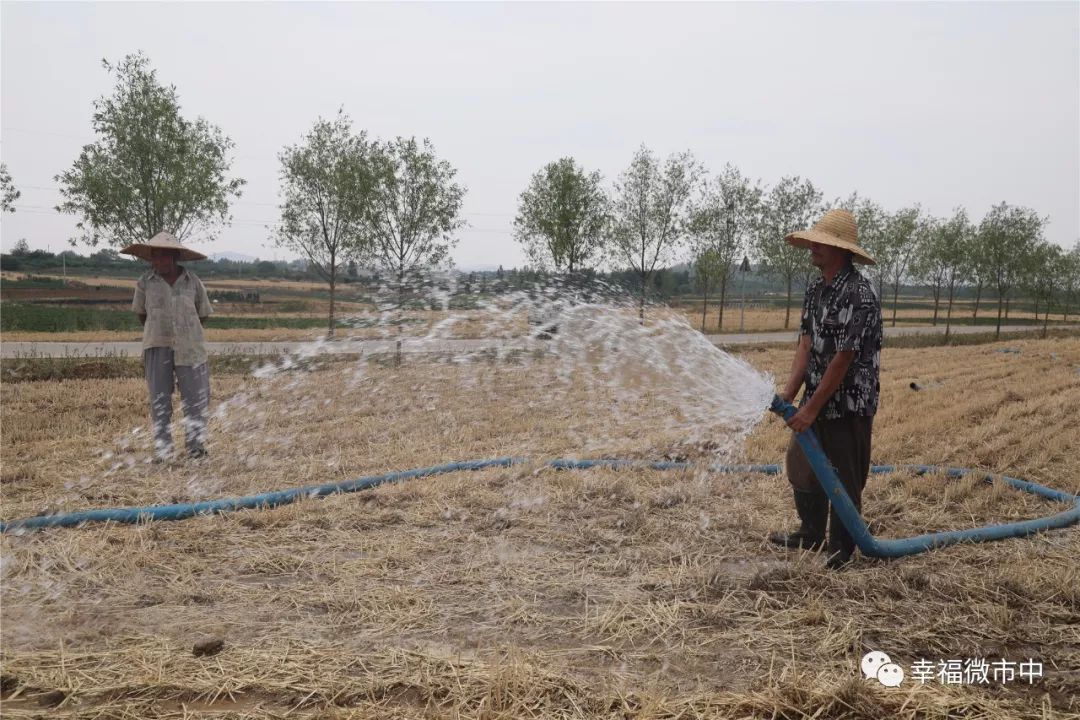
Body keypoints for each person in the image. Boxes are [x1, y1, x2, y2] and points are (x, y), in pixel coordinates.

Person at [769, 209, 882, 569]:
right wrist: (789, 395)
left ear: (840, 250)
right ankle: (811, 532)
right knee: (800, 466)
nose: (813, 248)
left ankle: (842, 549)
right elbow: (806, 344)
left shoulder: (860, 294)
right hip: (816, 392)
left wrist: (811, 410)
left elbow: (843, 359)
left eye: (820, 243)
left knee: (845, 477)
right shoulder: (816, 289)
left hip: (848, 401)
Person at [121, 232, 213, 460]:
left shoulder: (193, 282)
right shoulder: (145, 282)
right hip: (157, 344)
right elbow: (142, 315)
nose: (157, 262)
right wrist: (161, 332)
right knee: (159, 400)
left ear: (174, 257)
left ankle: (195, 448)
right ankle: (163, 450)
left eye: (162, 257)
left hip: (190, 347)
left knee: (195, 400)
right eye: (154, 258)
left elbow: (202, 314)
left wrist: (185, 332)